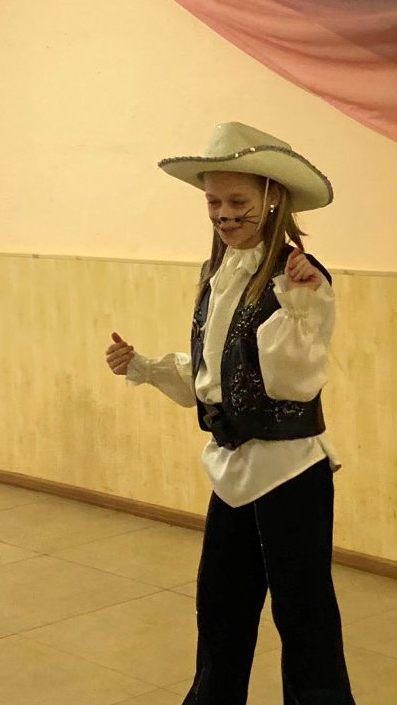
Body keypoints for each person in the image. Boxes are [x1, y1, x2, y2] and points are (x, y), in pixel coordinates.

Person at [105, 122, 355, 705]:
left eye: (236, 201)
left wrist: (297, 306)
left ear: (271, 198)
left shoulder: (299, 278)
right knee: (220, 605)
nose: (223, 214)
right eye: (213, 202)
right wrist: (143, 366)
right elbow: (213, 378)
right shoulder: (217, 275)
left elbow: (292, 381)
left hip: (289, 472)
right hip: (232, 472)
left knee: (305, 614)